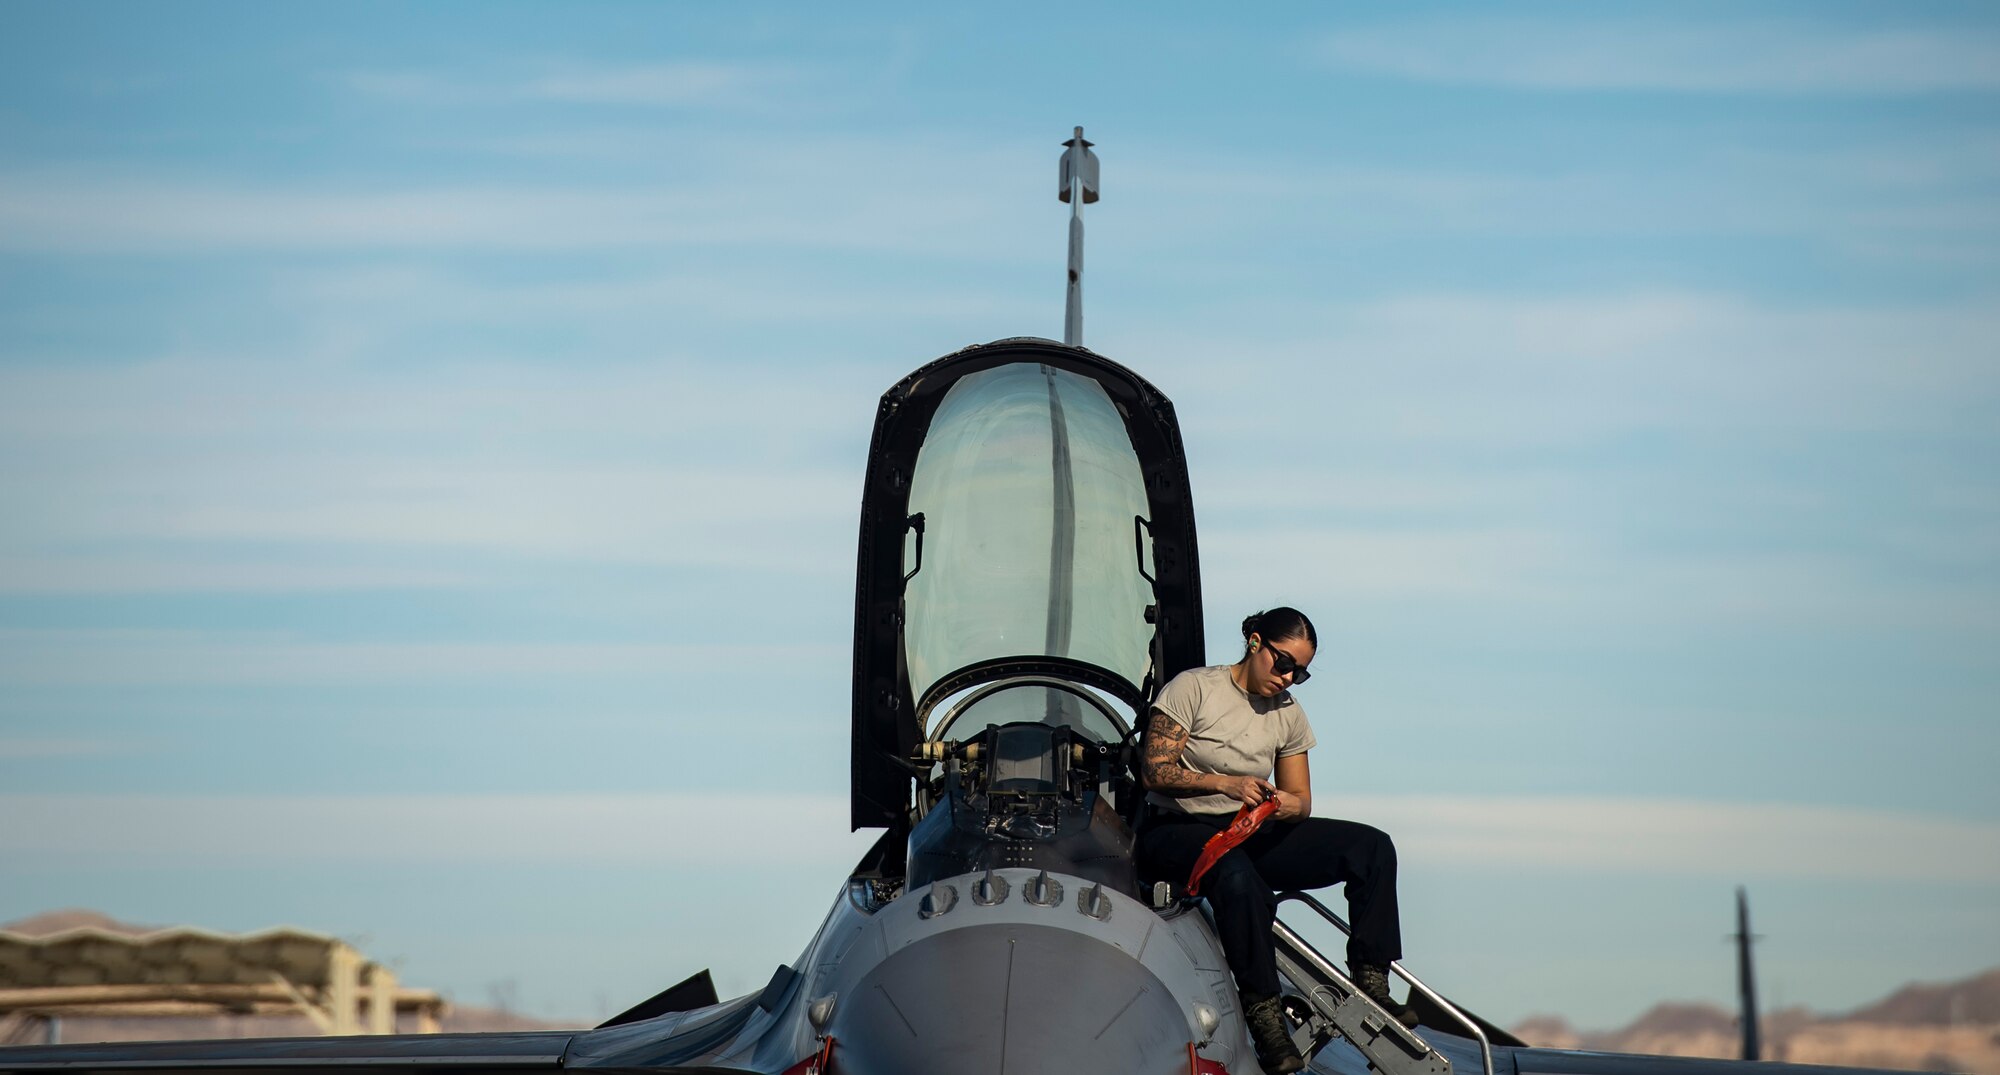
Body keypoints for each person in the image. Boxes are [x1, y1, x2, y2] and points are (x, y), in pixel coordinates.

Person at [1136, 607, 1412, 1075]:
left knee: (1372, 847)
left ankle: (1371, 980)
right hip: (1178, 830)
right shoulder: (1194, 688)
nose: (1288, 678)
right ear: (1255, 643)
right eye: (1283, 663)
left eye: (1300, 673)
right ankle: (1266, 1017)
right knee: (1238, 878)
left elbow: (1301, 802)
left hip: (1247, 828)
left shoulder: (1288, 713)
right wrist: (1225, 783)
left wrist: (1277, 802)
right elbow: (1155, 771)